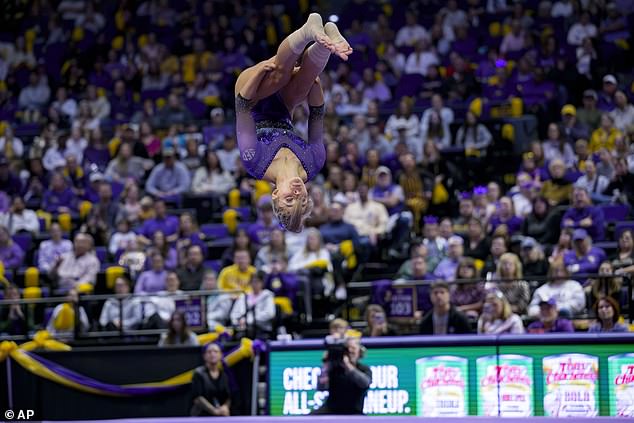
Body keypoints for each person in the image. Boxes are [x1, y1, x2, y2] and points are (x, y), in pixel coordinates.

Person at [235, 15, 351, 232]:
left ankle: (309, 30)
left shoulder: (254, 162)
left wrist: (259, 71)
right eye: (303, 201)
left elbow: (242, 107)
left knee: (279, 74)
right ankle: (325, 43)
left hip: (251, 95)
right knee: (304, 82)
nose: (297, 195)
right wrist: (313, 83)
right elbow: (316, 114)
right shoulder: (314, 163)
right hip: (284, 106)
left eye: (289, 200)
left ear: (275, 195)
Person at [314, 336, 372, 415]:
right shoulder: (334, 368)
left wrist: (347, 365)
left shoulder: (364, 369)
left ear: (360, 351)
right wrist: (326, 365)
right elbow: (321, 388)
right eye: (348, 349)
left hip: (354, 412)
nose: (350, 351)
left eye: (353, 348)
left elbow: (364, 383)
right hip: (331, 410)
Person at [230, 271, 276, 339]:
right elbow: (234, 313)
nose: (254, 284)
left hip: (261, 329)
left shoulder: (267, 295)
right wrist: (237, 322)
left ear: (262, 283)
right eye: (252, 282)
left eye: (257, 282)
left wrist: (248, 321)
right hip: (243, 329)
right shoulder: (243, 296)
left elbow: (270, 313)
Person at [190, 343, 231, 416]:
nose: (212, 354)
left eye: (215, 351)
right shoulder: (199, 373)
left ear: (221, 355)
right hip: (201, 416)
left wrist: (225, 407)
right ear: (204, 356)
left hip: (220, 415)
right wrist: (214, 411)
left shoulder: (224, 375)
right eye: (209, 352)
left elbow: (228, 396)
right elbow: (197, 398)